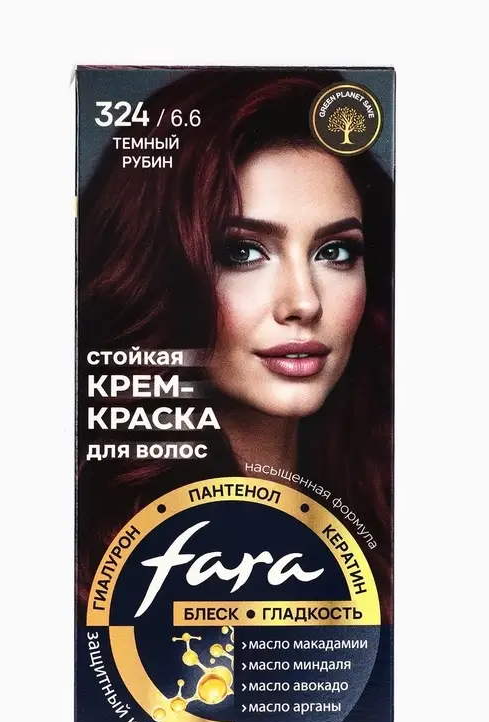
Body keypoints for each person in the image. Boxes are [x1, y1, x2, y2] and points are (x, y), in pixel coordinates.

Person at [78, 69, 393, 619]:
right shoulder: (89, 564)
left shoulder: (392, 522)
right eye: (242, 252)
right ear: (155, 275)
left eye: (336, 252)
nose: (304, 302)